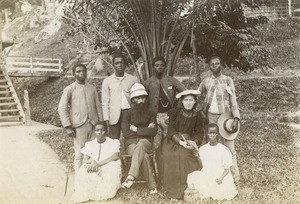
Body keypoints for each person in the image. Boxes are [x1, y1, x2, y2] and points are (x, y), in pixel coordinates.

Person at [198, 56, 241, 183]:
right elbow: (196, 94)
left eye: (217, 63)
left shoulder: (228, 80)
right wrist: (200, 109)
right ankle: (212, 175)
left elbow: (233, 100)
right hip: (210, 117)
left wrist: (236, 117)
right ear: (209, 66)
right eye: (212, 64)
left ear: (221, 65)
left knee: (229, 147)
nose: (214, 66)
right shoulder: (206, 81)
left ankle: (235, 178)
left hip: (225, 118)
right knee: (212, 146)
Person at [156, 89, 204, 200]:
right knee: (168, 156)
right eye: (186, 100)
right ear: (181, 101)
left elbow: (199, 132)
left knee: (185, 157)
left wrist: (194, 143)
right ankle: (170, 187)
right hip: (173, 140)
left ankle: (186, 187)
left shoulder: (198, 115)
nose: (188, 102)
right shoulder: (174, 112)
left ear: (194, 101)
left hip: (188, 141)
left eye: (191, 100)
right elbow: (171, 131)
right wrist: (180, 141)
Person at [58, 64, 102, 172]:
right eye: (78, 71)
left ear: (86, 73)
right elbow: (62, 108)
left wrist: (101, 122)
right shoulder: (69, 89)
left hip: (93, 124)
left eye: (83, 71)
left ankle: (91, 175)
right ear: (74, 74)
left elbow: (98, 106)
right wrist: (68, 126)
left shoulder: (92, 88)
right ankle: (79, 178)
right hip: (79, 125)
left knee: (93, 150)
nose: (81, 73)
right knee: (79, 153)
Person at [121, 83, 158, 194]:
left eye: (142, 97)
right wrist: (145, 129)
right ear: (133, 100)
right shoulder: (126, 114)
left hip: (146, 143)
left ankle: (131, 176)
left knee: (141, 144)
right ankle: (153, 186)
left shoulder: (151, 112)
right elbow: (126, 133)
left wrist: (136, 129)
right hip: (131, 143)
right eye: (137, 98)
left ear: (145, 99)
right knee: (144, 156)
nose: (141, 100)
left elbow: (154, 131)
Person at [72, 121, 121, 203]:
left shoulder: (112, 142)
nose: (100, 132)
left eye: (102, 130)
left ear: (106, 131)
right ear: (94, 132)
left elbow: (115, 156)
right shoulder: (90, 144)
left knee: (108, 173)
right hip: (93, 164)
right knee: (85, 171)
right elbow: (84, 160)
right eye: (97, 130)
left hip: (107, 164)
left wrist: (98, 164)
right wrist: (93, 161)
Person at [186, 123, 238, 201]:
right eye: (210, 133)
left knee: (218, 189)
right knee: (192, 177)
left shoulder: (224, 149)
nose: (212, 135)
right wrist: (197, 156)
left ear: (217, 134)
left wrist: (221, 178)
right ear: (207, 134)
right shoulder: (203, 149)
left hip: (220, 174)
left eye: (214, 133)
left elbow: (227, 169)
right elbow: (202, 166)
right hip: (207, 173)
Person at [144, 56, 186, 148]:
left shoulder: (171, 80)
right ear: (153, 67)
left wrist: (178, 106)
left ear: (165, 67)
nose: (159, 67)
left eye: (162, 65)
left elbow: (185, 92)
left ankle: (168, 160)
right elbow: (142, 100)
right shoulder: (148, 82)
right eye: (157, 65)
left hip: (168, 116)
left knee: (168, 140)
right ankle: (156, 161)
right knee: (156, 143)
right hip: (154, 117)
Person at [102, 51, 138, 139]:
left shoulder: (133, 79)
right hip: (114, 115)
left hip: (130, 113)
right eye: (117, 63)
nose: (119, 65)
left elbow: (138, 98)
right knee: (114, 140)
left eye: (121, 62)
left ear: (125, 64)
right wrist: (106, 119)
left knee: (131, 138)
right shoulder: (107, 81)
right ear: (113, 65)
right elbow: (105, 102)